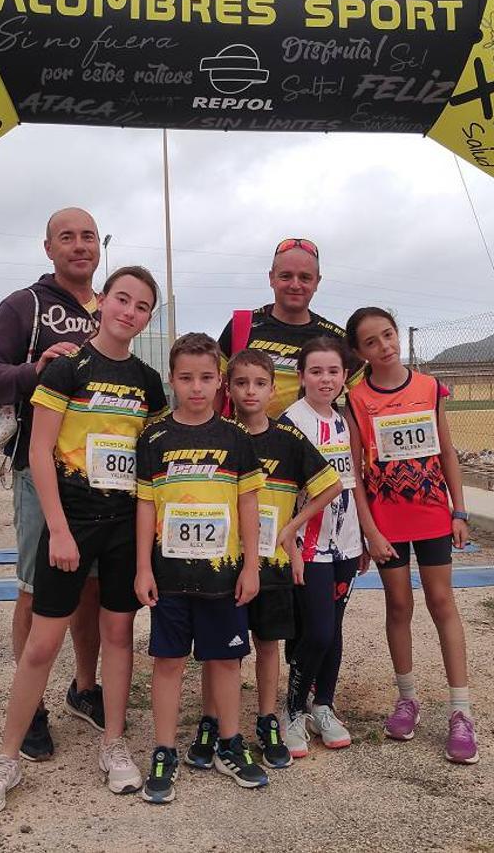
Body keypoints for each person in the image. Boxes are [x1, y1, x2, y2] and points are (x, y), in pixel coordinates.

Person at [0, 267, 169, 816]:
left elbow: (151, 457)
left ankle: (114, 743)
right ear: (101, 301)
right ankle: (6, 757)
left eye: (142, 307)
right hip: (73, 521)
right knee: (42, 643)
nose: (129, 312)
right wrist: (57, 528)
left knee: (119, 636)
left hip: (123, 525)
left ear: (148, 319)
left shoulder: (149, 382)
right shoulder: (66, 368)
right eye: (122, 299)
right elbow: (39, 452)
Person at [0, 207, 104, 760]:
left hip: (100, 475)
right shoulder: (25, 304)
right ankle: (32, 709)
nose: (79, 245)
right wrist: (35, 369)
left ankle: (85, 688)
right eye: (67, 237)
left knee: (92, 587)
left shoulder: (110, 307)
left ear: (100, 246)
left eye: (88, 236)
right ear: (48, 248)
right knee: (35, 587)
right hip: (40, 469)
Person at [184, 348, 342, 769]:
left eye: (259, 383)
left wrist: (291, 531)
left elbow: (331, 486)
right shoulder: (219, 435)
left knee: (268, 644)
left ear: (273, 389)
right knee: (221, 650)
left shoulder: (288, 439)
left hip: (272, 564)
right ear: (228, 388)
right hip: (226, 565)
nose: (250, 391)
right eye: (241, 383)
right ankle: (211, 720)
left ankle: (268, 719)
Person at [134, 333, 268, 804]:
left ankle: (229, 743)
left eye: (206, 377)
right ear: (171, 379)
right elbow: (145, 507)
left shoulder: (235, 438)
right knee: (168, 662)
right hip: (169, 577)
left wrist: (251, 566)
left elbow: (249, 506)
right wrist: (142, 569)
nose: (196, 387)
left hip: (223, 577)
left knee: (226, 661)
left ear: (220, 382)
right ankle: (164, 750)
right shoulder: (154, 438)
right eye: (186, 378)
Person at [344, 306, 479, 765]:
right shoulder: (356, 399)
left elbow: (447, 452)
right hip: (387, 522)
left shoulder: (429, 388)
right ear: (359, 352)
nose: (384, 346)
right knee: (398, 605)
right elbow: (354, 472)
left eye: (388, 334)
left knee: (442, 602)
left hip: (433, 516)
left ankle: (461, 711)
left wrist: (459, 511)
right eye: (371, 342)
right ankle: (407, 699)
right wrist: (369, 530)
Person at [278, 336, 364, 756]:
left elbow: (353, 481)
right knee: (316, 630)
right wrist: (290, 542)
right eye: (316, 371)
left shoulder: (346, 422)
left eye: (333, 371)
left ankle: (323, 705)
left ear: (345, 376)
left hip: (346, 542)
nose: (325, 379)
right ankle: (293, 709)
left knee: (335, 629)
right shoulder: (290, 422)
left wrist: (363, 536)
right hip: (308, 546)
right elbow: (282, 489)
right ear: (301, 376)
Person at [217, 238, 357, 418]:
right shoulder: (241, 325)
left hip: (314, 437)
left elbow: (367, 395)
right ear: (271, 278)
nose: (295, 285)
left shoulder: (336, 339)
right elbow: (214, 388)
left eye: (305, 277)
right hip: (244, 435)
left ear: (317, 282)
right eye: (286, 276)